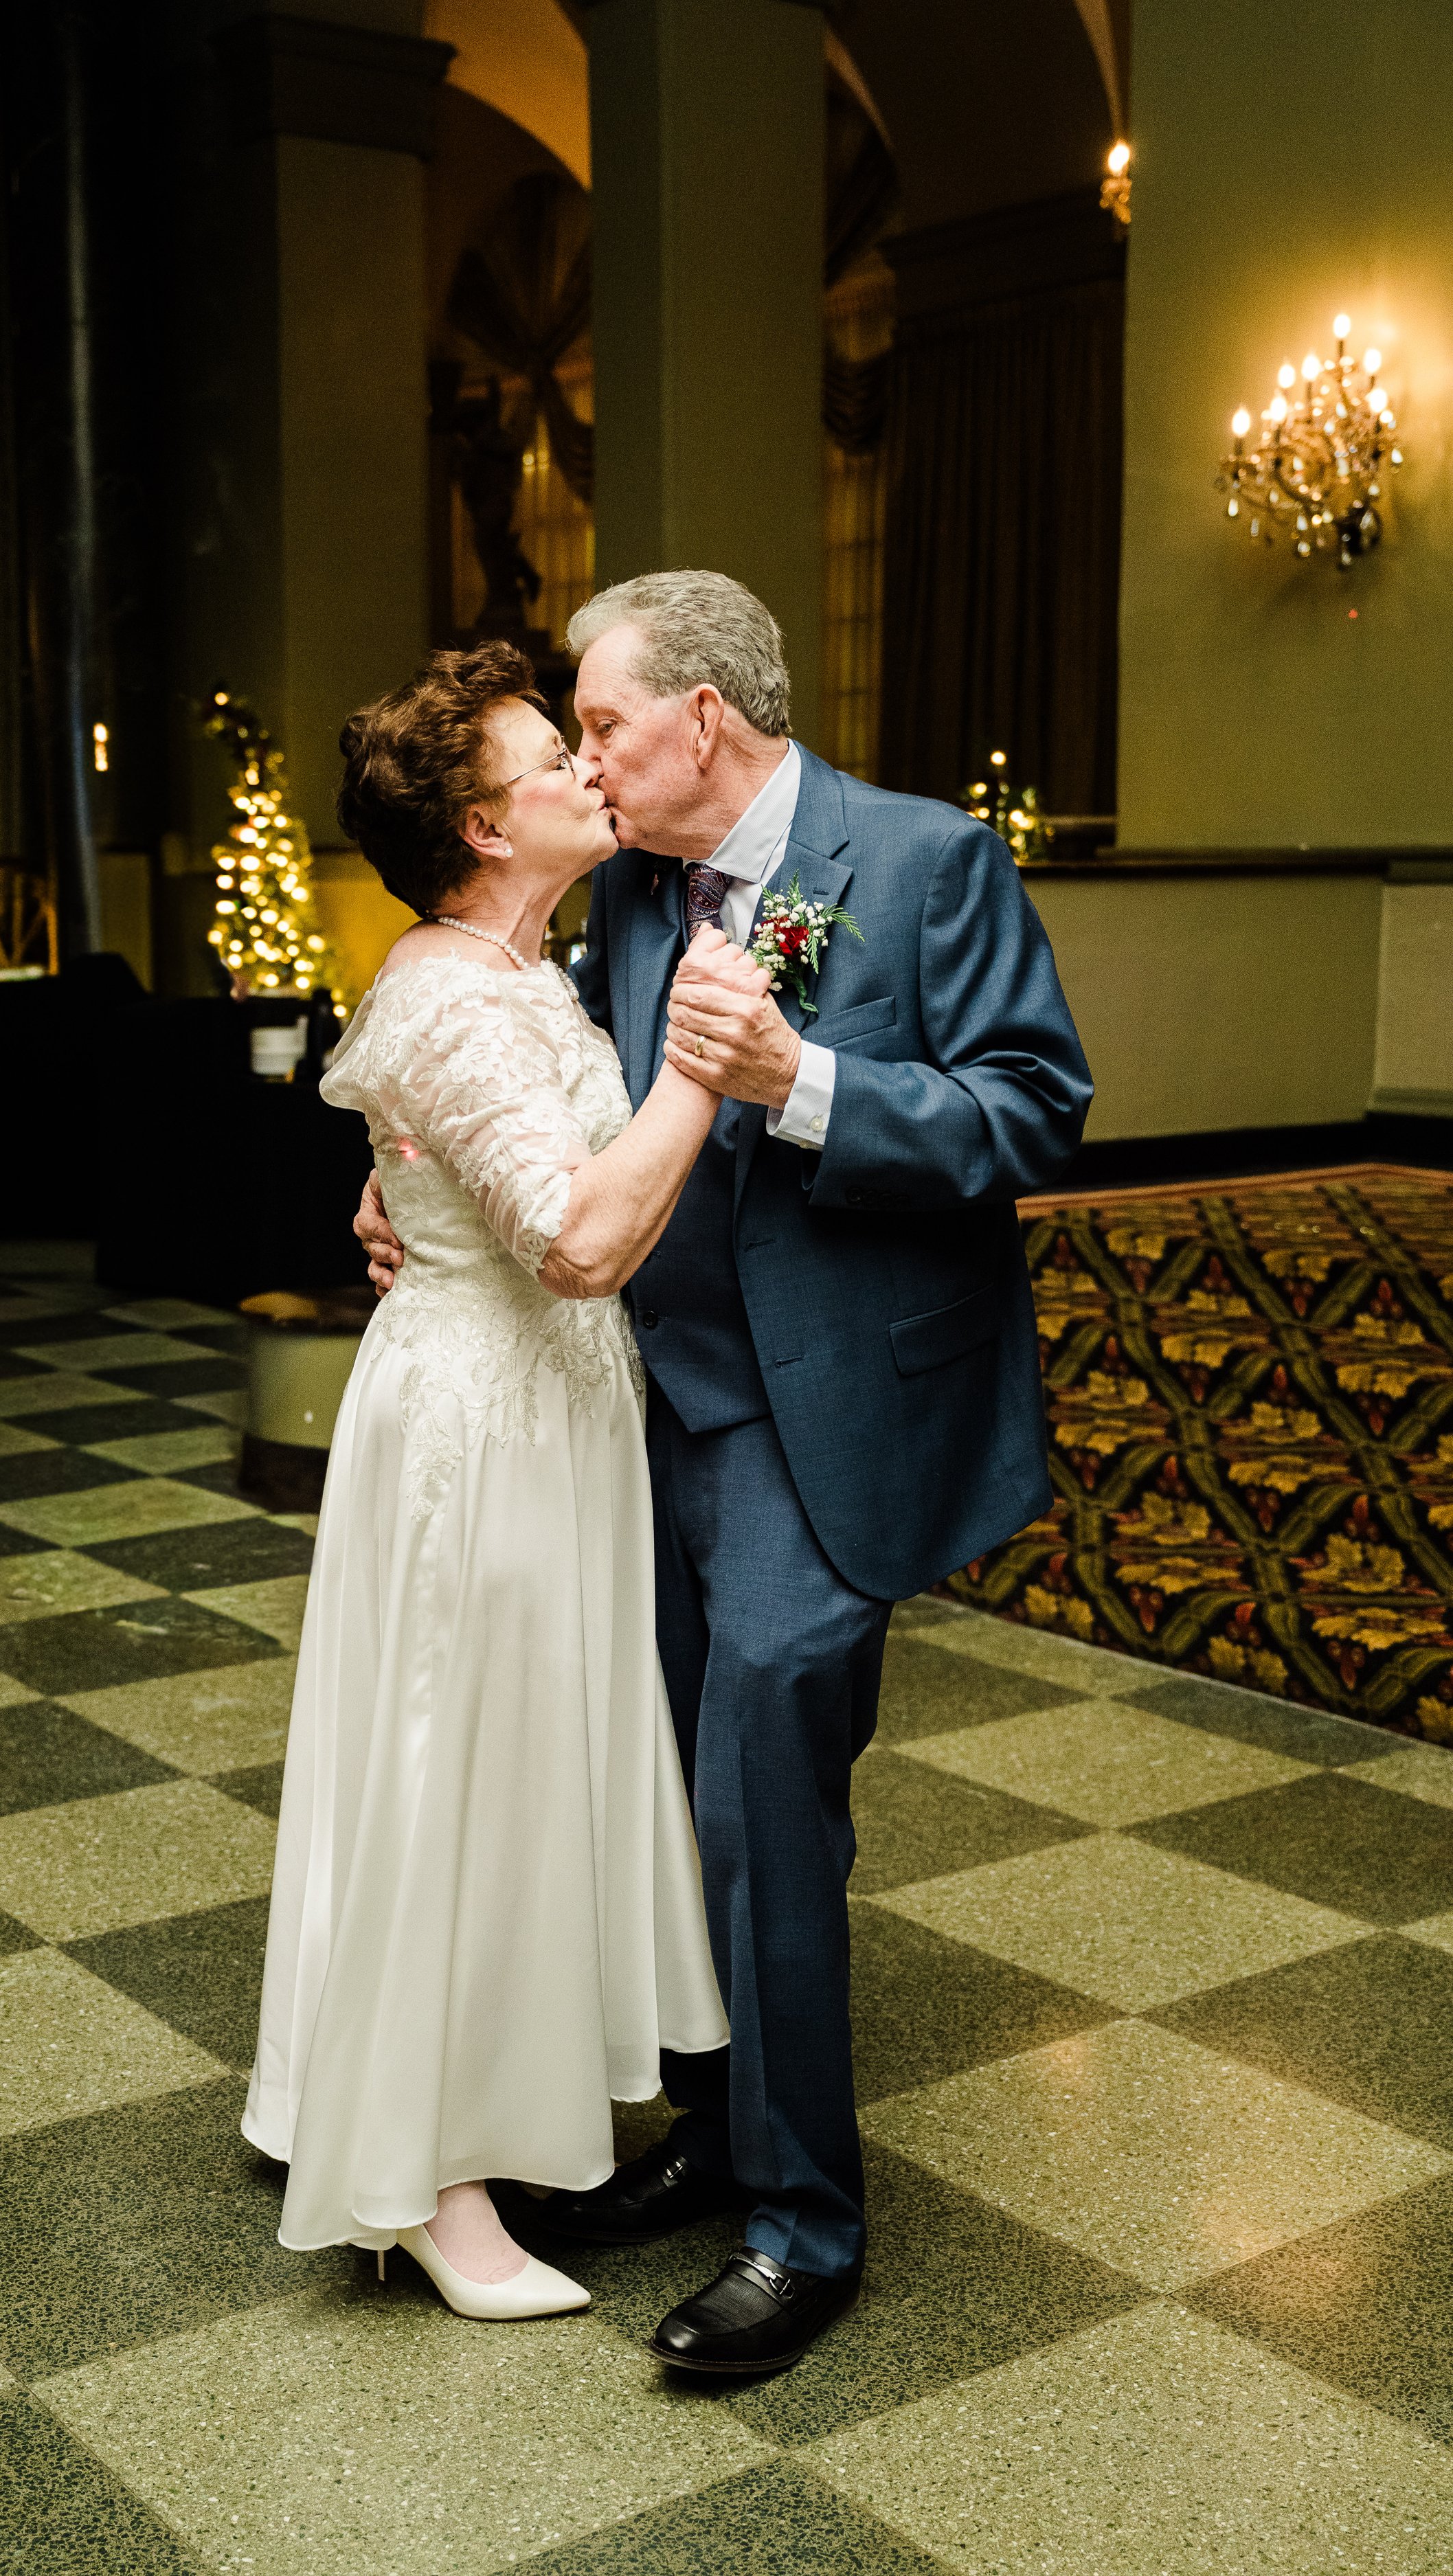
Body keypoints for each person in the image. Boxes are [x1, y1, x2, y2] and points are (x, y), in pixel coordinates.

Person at [358, 570, 1093, 2375]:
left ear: (699, 715)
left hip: (821, 1411)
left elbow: (1033, 1108)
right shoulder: (620, 890)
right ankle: (704, 2120)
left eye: (600, 722)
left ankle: (798, 2221)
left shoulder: (923, 863)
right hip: (635, 1405)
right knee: (650, 1786)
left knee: (760, 1779)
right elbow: (501, 1057)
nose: (588, 763)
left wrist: (812, 1078)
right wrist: (402, 1183)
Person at [243, 640, 730, 2322]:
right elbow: (580, 1240)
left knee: (499, 1767)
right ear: (476, 823)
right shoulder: (453, 991)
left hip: (539, 1408)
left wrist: (397, 1190)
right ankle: (430, 2190)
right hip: (482, 1423)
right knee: (458, 1772)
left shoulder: (516, 967)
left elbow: (451, 1166)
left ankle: (398, 2091)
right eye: (554, 759)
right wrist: (698, 1073)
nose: (590, 772)